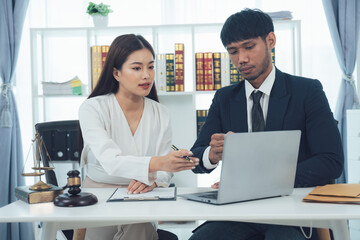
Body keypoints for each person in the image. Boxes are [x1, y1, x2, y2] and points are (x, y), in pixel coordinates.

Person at [189, 8, 343, 240]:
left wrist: (263, 182)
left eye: (249, 47)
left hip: (291, 210)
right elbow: (195, 159)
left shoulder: (307, 91)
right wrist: (212, 154)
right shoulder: (225, 98)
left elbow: (331, 161)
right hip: (237, 212)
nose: (241, 59)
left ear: (270, 41)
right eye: (233, 51)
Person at [77, 34, 199, 240]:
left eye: (150, 67)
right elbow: (111, 162)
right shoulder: (92, 108)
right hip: (99, 194)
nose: (147, 75)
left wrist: (154, 181)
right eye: (137, 68)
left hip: (141, 193)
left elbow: (163, 173)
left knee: (140, 229)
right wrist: (159, 164)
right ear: (116, 73)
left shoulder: (161, 113)